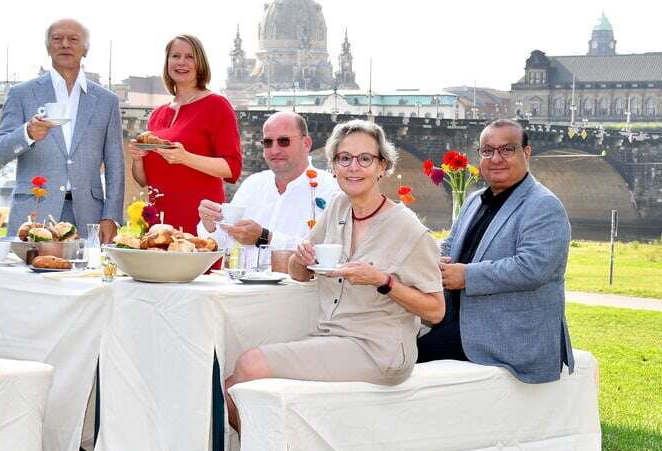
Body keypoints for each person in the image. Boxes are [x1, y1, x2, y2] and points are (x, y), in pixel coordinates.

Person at [224, 119, 446, 429]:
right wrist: (301, 259)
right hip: (333, 338)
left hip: (379, 351)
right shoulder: (339, 208)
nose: (354, 167)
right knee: (232, 382)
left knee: (248, 365)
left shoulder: (408, 229)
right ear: (334, 167)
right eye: (345, 159)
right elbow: (299, 273)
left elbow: (436, 311)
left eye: (365, 159)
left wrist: (383, 281)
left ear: (383, 166)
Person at [417, 118, 575, 384]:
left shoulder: (543, 205)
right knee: (393, 346)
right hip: (462, 321)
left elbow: (533, 268)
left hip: (510, 334)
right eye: (487, 151)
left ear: (526, 153)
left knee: (409, 360)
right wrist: (425, 256)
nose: (496, 158)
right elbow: (451, 246)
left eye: (507, 150)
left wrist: (466, 276)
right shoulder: (474, 201)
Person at [0, 18, 125, 242]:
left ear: (86, 49)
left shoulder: (106, 101)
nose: (65, 44)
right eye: (57, 39)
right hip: (33, 213)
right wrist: (27, 134)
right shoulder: (21, 94)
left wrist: (111, 216)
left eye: (73, 39)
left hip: (88, 216)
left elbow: (115, 165)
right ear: (48, 47)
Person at [129, 34, 241, 234]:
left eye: (189, 57)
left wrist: (185, 158)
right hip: (158, 222)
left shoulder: (216, 105)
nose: (181, 62)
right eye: (175, 56)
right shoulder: (157, 115)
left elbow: (232, 169)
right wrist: (138, 159)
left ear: (200, 63)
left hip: (198, 220)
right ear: (167, 62)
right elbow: (144, 180)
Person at [195, 111, 340, 265]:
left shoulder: (330, 189)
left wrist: (265, 237)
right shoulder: (253, 184)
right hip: (242, 285)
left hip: (297, 287)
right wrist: (211, 225)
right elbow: (224, 242)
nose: (274, 150)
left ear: (306, 144)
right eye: (268, 142)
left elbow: (326, 252)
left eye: (284, 141)